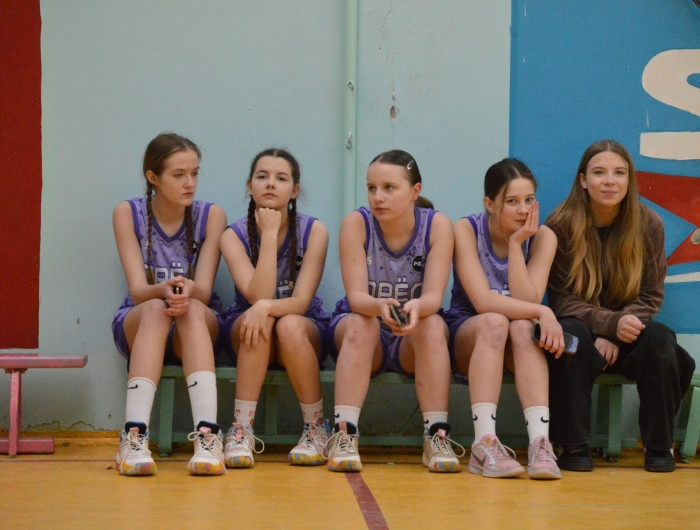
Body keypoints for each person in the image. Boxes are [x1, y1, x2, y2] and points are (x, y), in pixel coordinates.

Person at [545, 139, 696, 473]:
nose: (609, 181)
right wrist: (608, 324)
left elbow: (650, 296)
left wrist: (616, 332)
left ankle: (659, 448)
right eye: (599, 173)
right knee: (568, 338)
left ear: (629, 180)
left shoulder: (648, 224)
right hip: (582, 332)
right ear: (583, 180)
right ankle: (572, 445)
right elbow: (561, 299)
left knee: (660, 341)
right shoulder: (560, 225)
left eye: (619, 173)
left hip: (629, 333)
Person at [326, 149, 464, 473]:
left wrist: (416, 307)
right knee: (362, 324)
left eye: (389, 187)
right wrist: (379, 306)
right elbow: (356, 297)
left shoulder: (438, 225)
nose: (378, 197)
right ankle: (344, 434)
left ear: (415, 191)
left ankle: (436, 436)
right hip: (365, 332)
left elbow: (433, 297)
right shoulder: (356, 223)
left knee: (432, 324)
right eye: (372, 188)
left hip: (411, 338)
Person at [112, 132, 227, 476]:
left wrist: (188, 290)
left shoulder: (212, 216)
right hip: (143, 321)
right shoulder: (128, 213)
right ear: (153, 177)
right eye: (179, 175)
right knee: (154, 308)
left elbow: (204, 291)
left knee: (191, 309)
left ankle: (208, 437)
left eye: (194, 173)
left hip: (196, 322)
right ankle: (134, 436)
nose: (190, 183)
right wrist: (164, 290)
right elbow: (138, 291)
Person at [443, 158, 563, 480]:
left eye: (529, 200)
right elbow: (482, 302)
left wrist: (515, 245)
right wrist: (543, 312)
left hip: (515, 343)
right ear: (490, 204)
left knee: (523, 326)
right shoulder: (466, 229)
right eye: (512, 201)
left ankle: (540, 444)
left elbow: (527, 301)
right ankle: (484, 444)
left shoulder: (544, 237)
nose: (523, 210)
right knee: (496, 321)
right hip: (471, 334)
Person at [219, 148, 331, 468]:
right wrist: (268, 234)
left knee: (288, 323)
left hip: (302, 330)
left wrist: (266, 306)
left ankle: (315, 429)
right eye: (262, 176)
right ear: (249, 186)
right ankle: (241, 429)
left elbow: (301, 302)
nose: (270, 184)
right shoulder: (232, 236)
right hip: (250, 330)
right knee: (263, 321)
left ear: (294, 190)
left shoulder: (315, 231)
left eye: (281, 178)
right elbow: (257, 295)